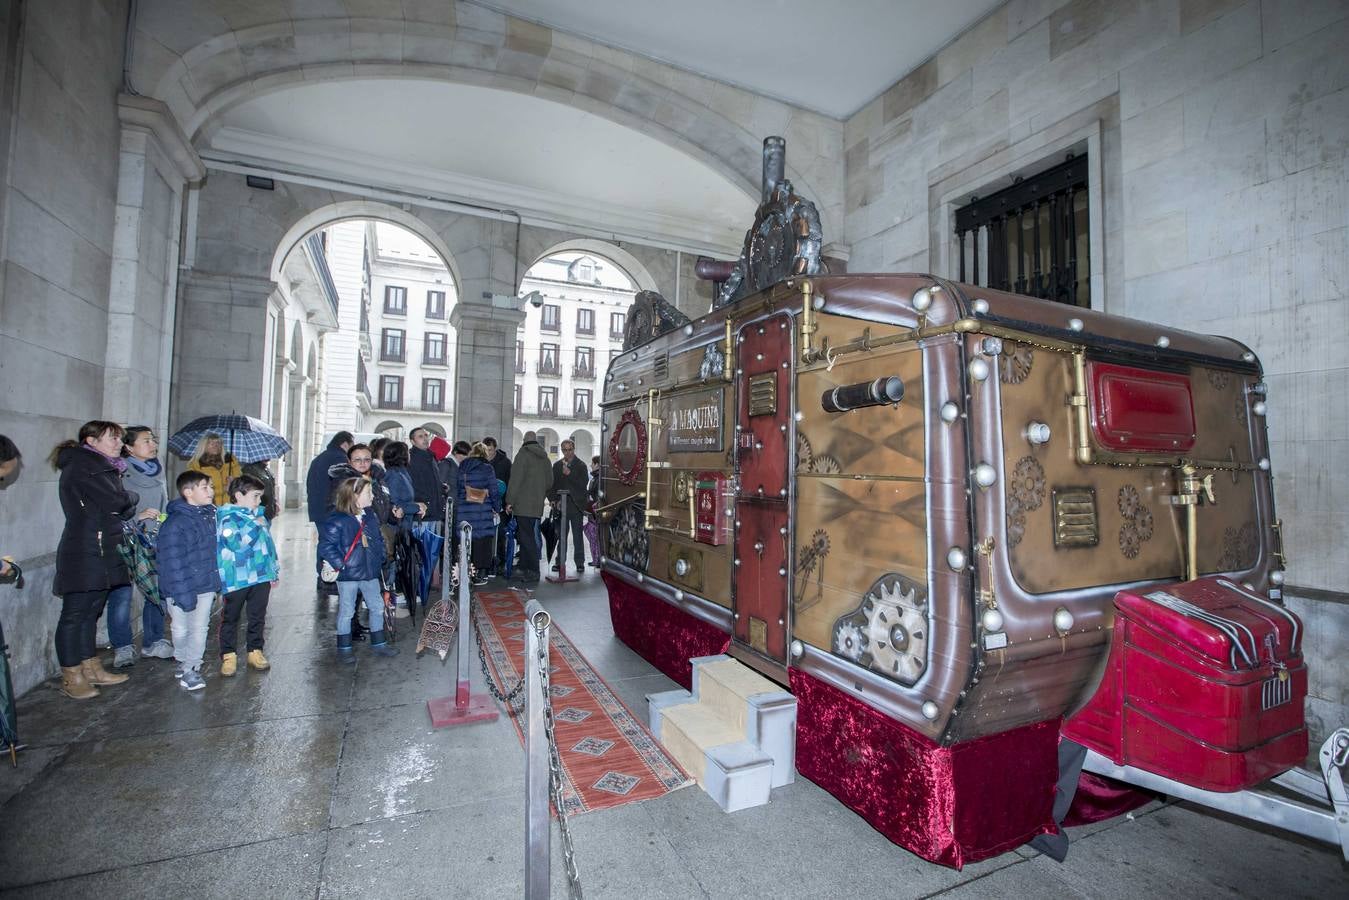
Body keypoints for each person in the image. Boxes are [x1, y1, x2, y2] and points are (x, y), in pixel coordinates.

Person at [49, 421, 140, 699]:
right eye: (112, 438)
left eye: (119, 438)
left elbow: (119, 506)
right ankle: (71, 675)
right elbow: (117, 502)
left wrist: (125, 500)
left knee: (91, 611)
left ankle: (90, 666)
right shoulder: (84, 465)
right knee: (75, 613)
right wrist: (130, 497)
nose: (118, 443)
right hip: (85, 548)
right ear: (91, 440)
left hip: (104, 546)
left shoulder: (103, 466)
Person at [111, 426, 172, 666]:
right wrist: (135, 519)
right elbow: (113, 508)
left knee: (156, 591)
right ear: (129, 447)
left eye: (153, 440)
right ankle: (122, 646)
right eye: (146, 441)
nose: (152, 444)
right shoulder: (119, 472)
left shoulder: (156, 468)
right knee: (121, 595)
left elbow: (163, 503)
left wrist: (164, 520)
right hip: (126, 539)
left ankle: (154, 641)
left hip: (154, 539)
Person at [156, 470, 222, 692]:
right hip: (179, 587)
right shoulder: (175, 524)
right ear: (188, 492)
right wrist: (182, 592)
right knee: (180, 628)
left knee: (200, 627)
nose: (211, 491)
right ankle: (183, 659)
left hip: (205, 584)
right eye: (205, 487)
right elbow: (171, 561)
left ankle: (191, 667)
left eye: (211, 487)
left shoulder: (211, 517)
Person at [320, 477, 398, 662]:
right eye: (368, 493)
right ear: (354, 496)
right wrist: (341, 564)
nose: (372, 497)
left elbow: (377, 539)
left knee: (377, 606)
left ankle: (379, 643)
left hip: (369, 571)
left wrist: (379, 558)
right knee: (347, 611)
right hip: (348, 574)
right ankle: (344, 648)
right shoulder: (337, 519)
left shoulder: (369, 515)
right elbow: (326, 546)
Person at [217, 474, 279, 676]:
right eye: (255, 496)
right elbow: (236, 544)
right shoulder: (228, 518)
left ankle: (255, 650)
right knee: (231, 617)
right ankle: (228, 655)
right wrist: (256, 524)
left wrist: (273, 569)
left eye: (260, 496)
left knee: (257, 616)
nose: (259, 501)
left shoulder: (257, 517)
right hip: (238, 578)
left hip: (260, 575)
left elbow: (267, 545)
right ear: (238, 496)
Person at [306, 431, 353, 592]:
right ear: (345, 444)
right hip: (332, 510)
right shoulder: (339, 459)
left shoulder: (320, 458)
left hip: (318, 509)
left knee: (325, 542)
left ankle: (322, 577)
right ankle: (327, 578)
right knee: (331, 545)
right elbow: (344, 487)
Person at [504, 431, 550, 585]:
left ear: (524, 440)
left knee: (526, 537)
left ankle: (533, 570)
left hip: (522, 504)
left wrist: (509, 500)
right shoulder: (545, 457)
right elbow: (550, 481)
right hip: (536, 504)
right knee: (527, 535)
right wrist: (539, 493)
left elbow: (515, 480)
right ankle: (523, 566)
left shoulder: (523, 454)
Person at [456, 443, 501, 586]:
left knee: (467, 541)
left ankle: (465, 573)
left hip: (465, 510)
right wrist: (497, 507)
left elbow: (458, 488)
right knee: (482, 541)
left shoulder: (462, 467)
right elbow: (494, 490)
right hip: (482, 509)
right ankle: (480, 575)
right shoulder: (487, 468)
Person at [548, 439, 589, 574]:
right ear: (562, 450)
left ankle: (579, 563)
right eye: (564, 450)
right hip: (561, 506)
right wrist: (553, 499)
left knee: (577, 536)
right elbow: (552, 485)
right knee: (561, 536)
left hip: (575, 505)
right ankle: (559, 562)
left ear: (574, 449)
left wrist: (569, 474)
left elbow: (582, 485)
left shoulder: (581, 465)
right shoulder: (557, 465)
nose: (567, 453)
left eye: (570, 449)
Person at [186, 433, 242, 506]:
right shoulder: (195, 465)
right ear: (204, 446)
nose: (215, 445)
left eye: (218, 443)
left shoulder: (231, 460)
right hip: (207, 506)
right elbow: (195, 490)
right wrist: (223, 489)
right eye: (211, 443)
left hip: (229, 506)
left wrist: (233, 483)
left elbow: (240, 483)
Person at [407, 428, 445, 532]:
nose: (425, 439)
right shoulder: (411, 459)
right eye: (420, 436)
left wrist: (441, 487)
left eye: (426, 435)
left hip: (435, 512)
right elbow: (412, 486)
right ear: (412, 441)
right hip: (422, 515)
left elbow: (432, 481)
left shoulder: (430, 457)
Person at [483, 436, 511, 572]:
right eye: (486, 450)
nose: (489, 453)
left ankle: (500, 561)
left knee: (500, 534)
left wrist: (508, 502)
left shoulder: (505, 463)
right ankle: (486, 562)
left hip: (501, 504)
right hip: (484, 504)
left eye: (491, 450)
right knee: (486, 535)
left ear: (495, 449)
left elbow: (510, 484)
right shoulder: (479, 462)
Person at [585, 454, 602, 566]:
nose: (591, 465)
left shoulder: (598, 478)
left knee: (595, 535)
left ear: (597, 464)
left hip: (596, 511)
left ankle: (598, 559)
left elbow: (594, 494)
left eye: (592, 463)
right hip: (594, 510)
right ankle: (596, 558)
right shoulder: (596, 477)